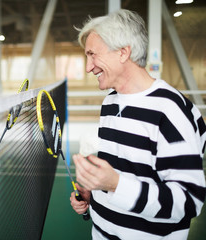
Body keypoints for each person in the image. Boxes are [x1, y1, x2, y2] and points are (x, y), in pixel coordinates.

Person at [70, 9, 206, 239]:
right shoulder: (111, 102)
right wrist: (96, 193)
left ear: (123, 53)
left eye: (93, 54)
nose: (88, 67)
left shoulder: (171, 110)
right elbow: (123, 171)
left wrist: (115, 186)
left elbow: (189, 202)